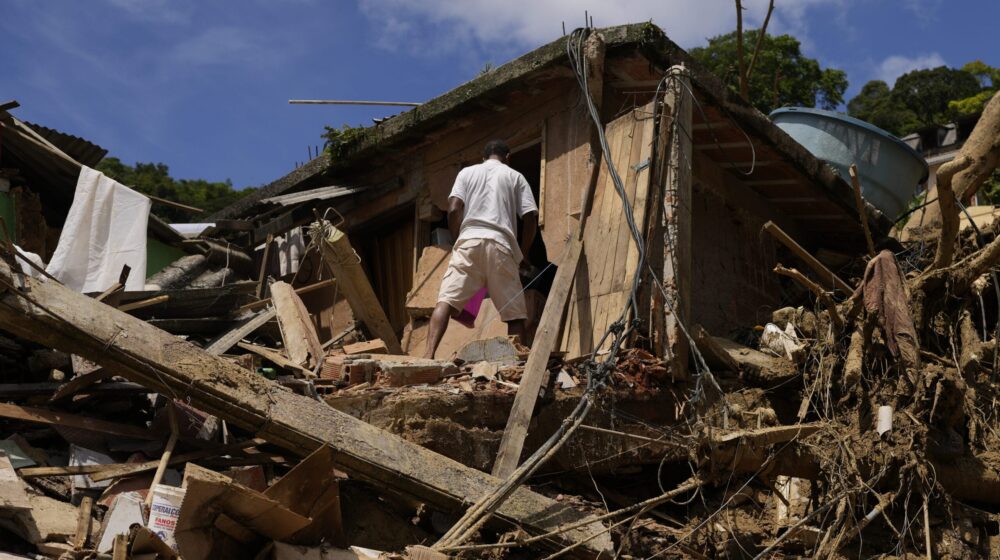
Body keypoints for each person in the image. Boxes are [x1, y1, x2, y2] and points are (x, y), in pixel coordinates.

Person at [424, 140, 538, 359]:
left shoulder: (466, 173)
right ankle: (518, 365)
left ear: (483, 157)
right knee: (514, 315)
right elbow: (530, 218)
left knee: (446, 301)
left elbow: (454, 209)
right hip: (501, 244)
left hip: (469, 241)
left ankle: (428, 356)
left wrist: (458, 240)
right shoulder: (515, 176)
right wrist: (523, 253)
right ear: (508, 157)